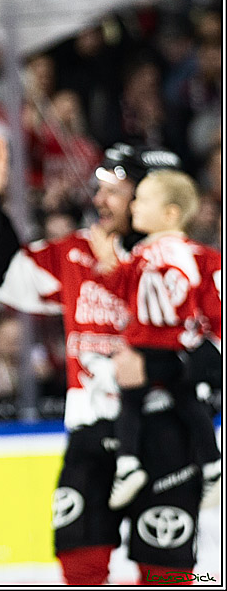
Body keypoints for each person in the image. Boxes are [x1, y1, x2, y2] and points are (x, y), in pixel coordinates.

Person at [0, 143, 208, 584]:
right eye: (99, 189)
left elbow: (214, 353)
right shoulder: (76, 253)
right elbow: (5, 276)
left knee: (166, 575)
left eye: (115, 191)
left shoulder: (193, 263)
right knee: (80, 566)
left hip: (167, 434)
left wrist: (159, 370)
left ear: (152, 196)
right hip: (91, 433)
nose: (99, 201)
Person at [89, 169, 222, 510]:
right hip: (183, 349)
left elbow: (124, 290)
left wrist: (107, 262)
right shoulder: (199, 254)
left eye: (142, 200)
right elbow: (212, 306)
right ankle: (213, 467)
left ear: (170, 213)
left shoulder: (149, 254)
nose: (133, 205)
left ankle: (128, 464)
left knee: (131, 401)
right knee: (188, 402)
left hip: (152, 348)